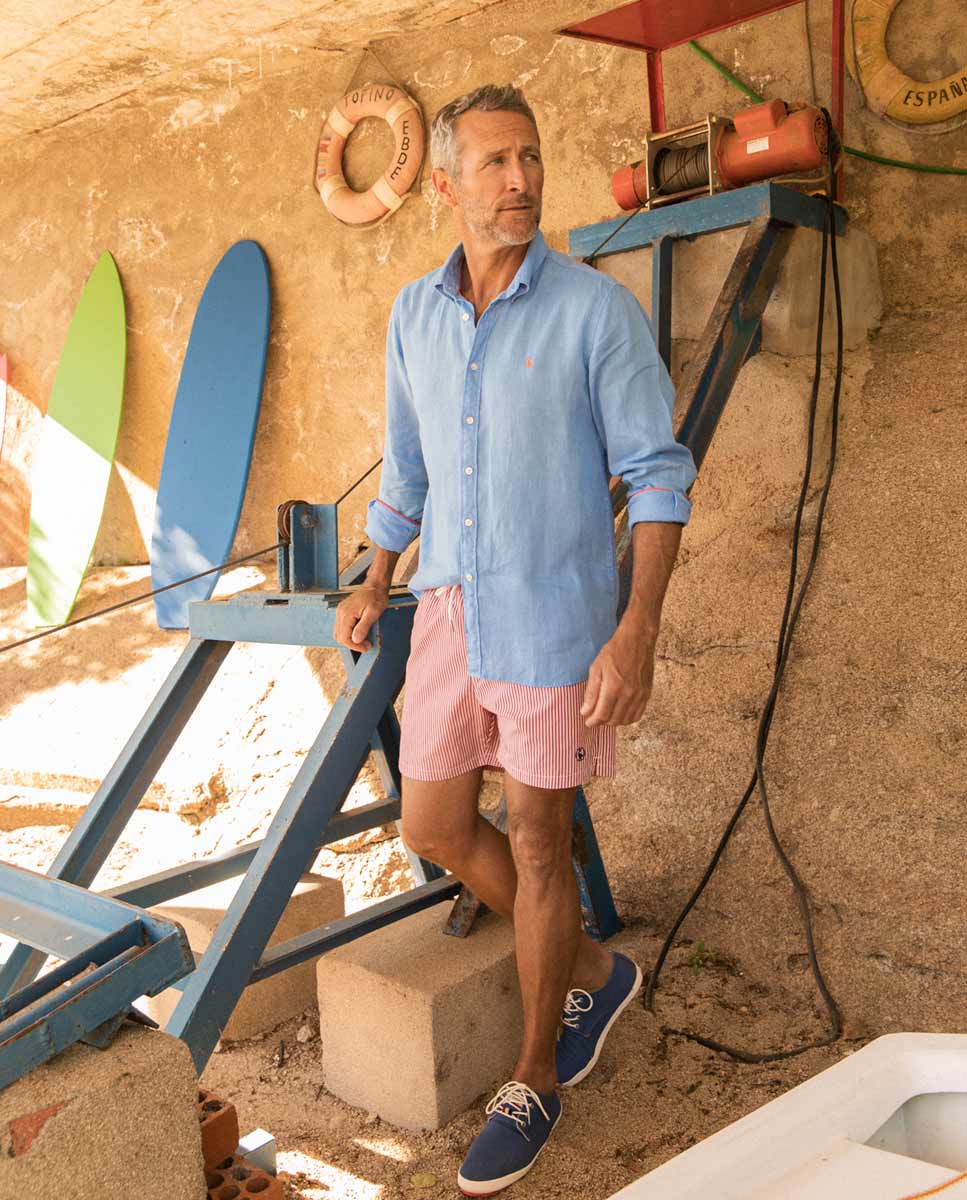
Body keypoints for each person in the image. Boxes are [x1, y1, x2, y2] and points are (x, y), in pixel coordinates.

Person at [334, 83, 696, 1196]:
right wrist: (375, 572)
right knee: (434, 825)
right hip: (444, 612)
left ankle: (535, 1074)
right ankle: (588, 965)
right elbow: (408, 470)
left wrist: (634, 633)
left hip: (553, 620)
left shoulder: (596, 312)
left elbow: (657, 475)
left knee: (540, 847)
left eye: (530, 158)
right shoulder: (413, 315)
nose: (520, 181)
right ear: (443, 185)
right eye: (493, 162)